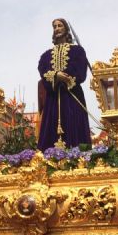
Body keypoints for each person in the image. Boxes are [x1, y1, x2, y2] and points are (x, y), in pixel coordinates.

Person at [37, 18, 91, 150]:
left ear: (66, 29)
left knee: (74, 126)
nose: (57, 29)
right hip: (53, 99)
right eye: (54, 26)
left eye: (60, 26)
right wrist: (56, 76)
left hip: (72, 96)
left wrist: (65, 76)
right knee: (51, 128)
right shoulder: (46, 55)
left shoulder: (78, 51)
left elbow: (80, 71)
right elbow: (43, 69)